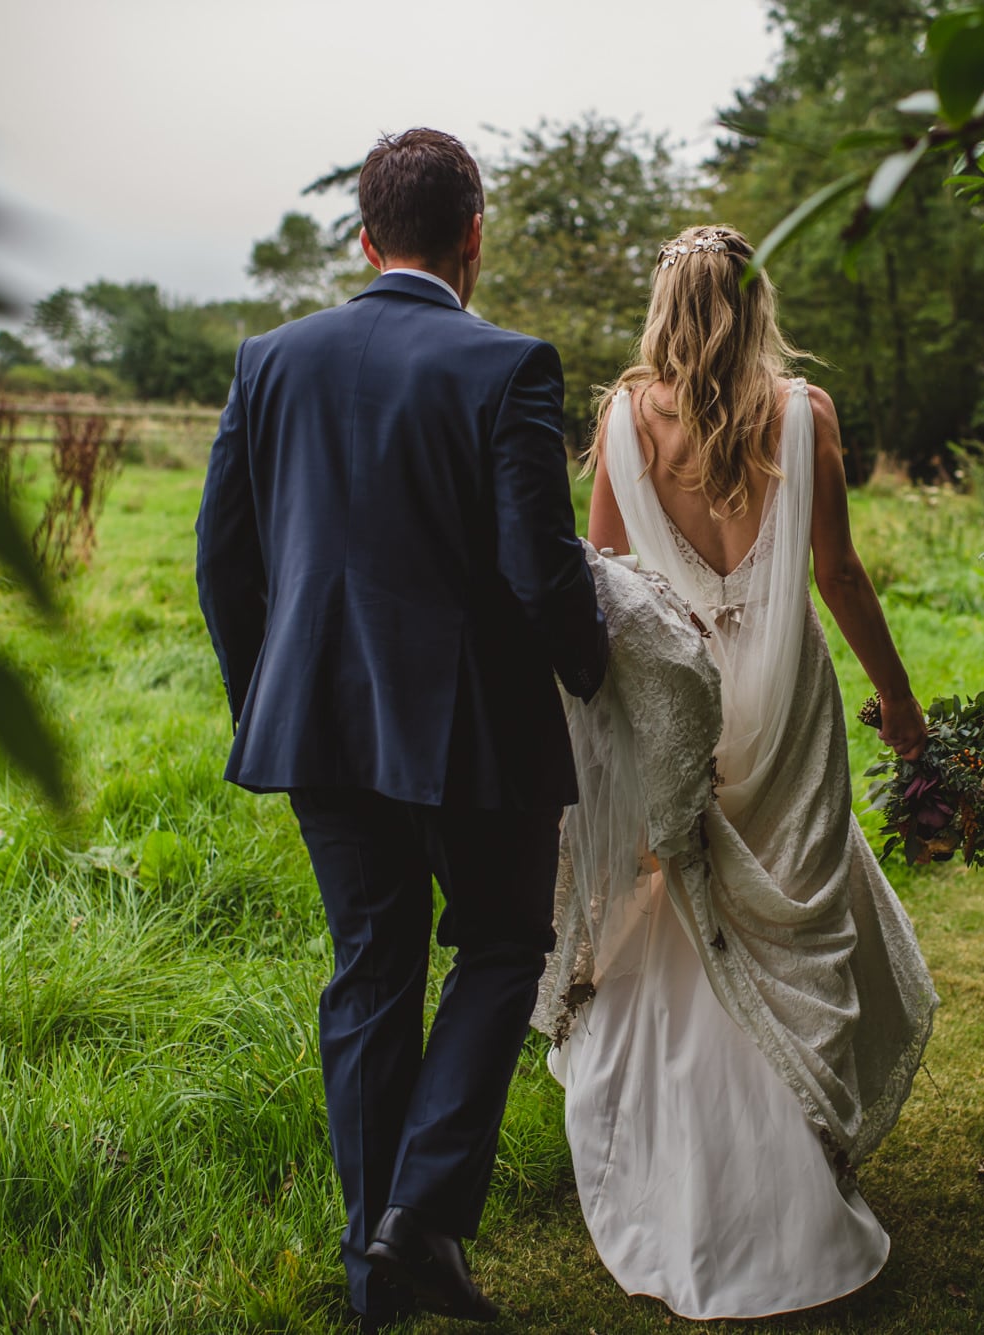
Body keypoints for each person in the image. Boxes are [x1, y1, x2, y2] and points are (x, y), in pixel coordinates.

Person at [193, 128, 607, 1332]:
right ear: (472, 235)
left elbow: (224, 564)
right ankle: (419, 1216)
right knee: (498, 947)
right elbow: (540, 570)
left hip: (315, 723)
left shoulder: (268, 359)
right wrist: (590, 670)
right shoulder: (508, 366)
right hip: (478, 733)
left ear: (363, 236)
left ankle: (379, 1280)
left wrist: (267, 696)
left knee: (371, 973)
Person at [546, 223, 938, 1320]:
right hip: (781, 695)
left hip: (674, 700)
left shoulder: (624, 420)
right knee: (795, 923)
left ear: (665, 306)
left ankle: (684, 1173)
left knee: (678, 921)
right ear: (754, 305)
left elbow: (602, 586)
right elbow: (839, 573)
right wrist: (899, 704)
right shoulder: (805, 416)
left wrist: (596, 733)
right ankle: (794, 1176)